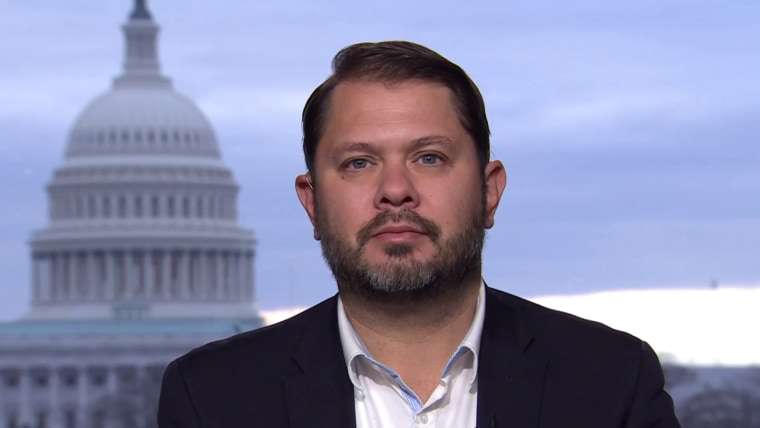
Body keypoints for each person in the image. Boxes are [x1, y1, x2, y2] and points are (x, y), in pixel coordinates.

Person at [157, 41, 680, 428]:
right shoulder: (213, 398)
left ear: (489, 190)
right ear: (312, 202)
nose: (395, 191)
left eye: (429, 158)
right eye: (359, 163)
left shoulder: (611, 381)